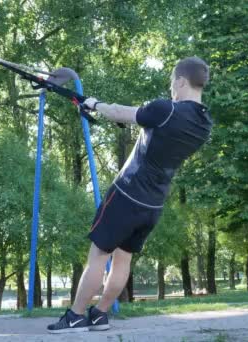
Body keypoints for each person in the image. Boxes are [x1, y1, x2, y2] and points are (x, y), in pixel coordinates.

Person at [47, 56, 213, 334]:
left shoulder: (166, 110)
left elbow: (122, 113)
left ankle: (75, 317)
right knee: (123, 259)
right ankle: (99, 315)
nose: (172, 87)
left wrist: (94, 104)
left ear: (181, 81)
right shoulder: (204, 123)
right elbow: (158, 136)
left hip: (127, 193)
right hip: (153, 203)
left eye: (173, 82)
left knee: (98, 256)